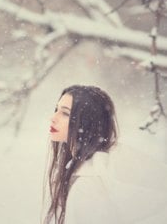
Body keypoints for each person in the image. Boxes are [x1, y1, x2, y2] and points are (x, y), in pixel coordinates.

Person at [43, 85, 167, 224]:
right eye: (56, 110)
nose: (53, 118)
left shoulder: (89, 185)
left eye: (65, 113)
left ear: (87, 122)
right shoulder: (97, 167)